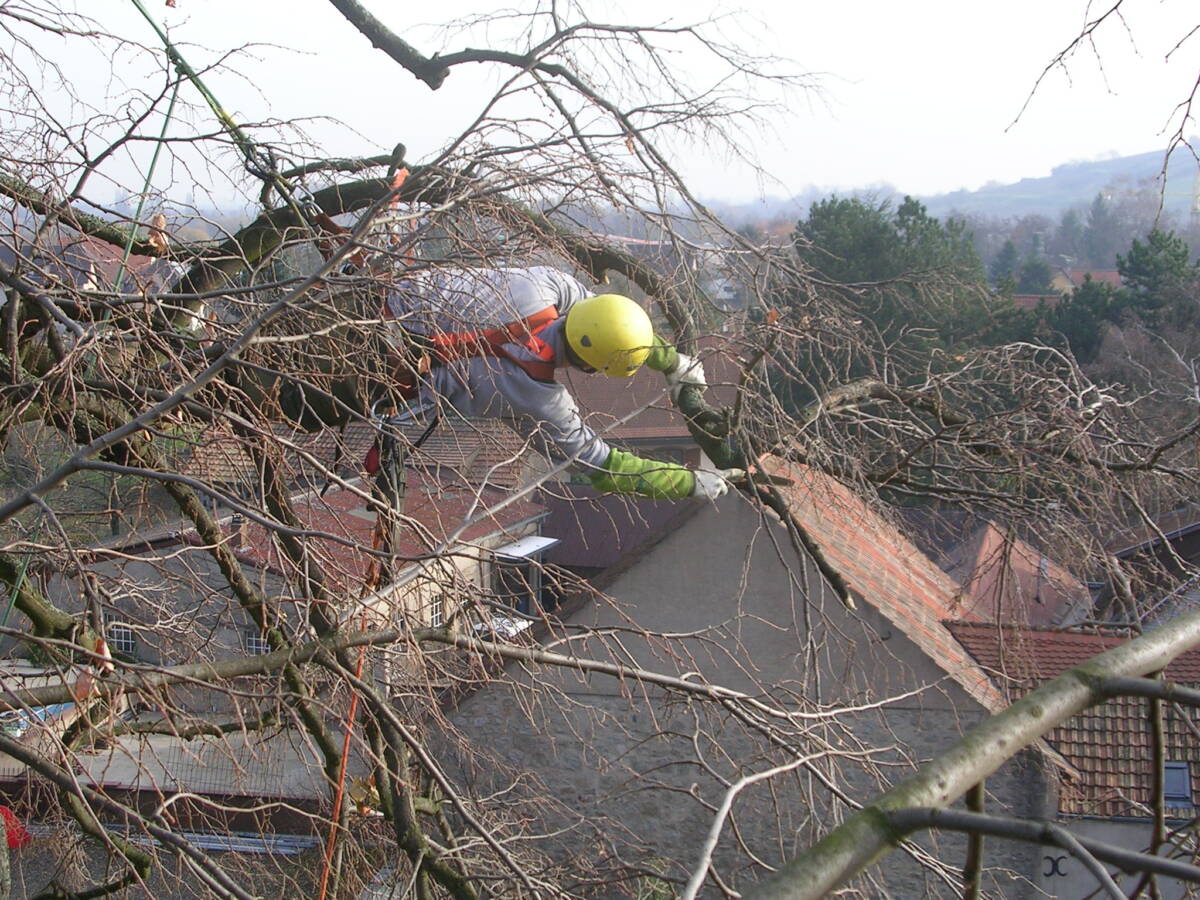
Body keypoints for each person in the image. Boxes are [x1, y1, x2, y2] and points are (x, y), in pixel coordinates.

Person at [379, 265, 742, 500]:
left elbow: (604, 320)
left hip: (369, 302)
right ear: (595, 370)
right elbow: (603, 466)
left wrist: (672, 361)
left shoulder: (546, 284)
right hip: (379, 384)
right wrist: (691, 483)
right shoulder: (539, 399)